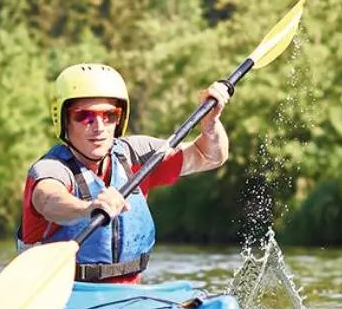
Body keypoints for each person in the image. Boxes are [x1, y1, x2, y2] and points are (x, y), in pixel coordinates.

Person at [19, 63, 231, 283]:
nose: (99, 127)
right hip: (61, 299)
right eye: (84, 116)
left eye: (109, 115)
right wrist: (88, 208)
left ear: (120, 118)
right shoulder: (51, 170)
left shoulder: (135, 156)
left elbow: (210, 156)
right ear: (64, 120)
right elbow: (49, 200)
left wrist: (210, 124)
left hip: (127, 298)